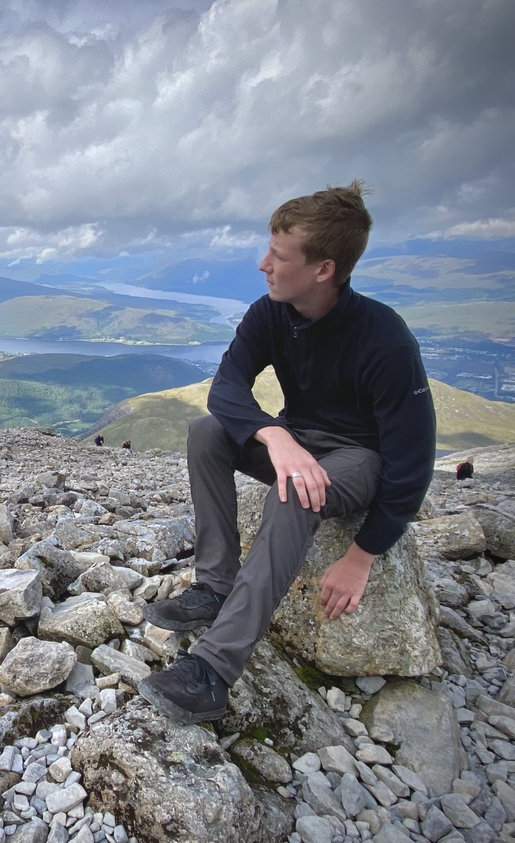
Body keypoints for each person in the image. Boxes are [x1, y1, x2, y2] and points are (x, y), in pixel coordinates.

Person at [138, 181, 437, 725]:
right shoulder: (271, 313)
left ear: (323, 269)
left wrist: (361, 555)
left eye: (278, 254)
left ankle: (213, 672)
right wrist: (275, 437)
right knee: (207, 433)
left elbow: (413, 464)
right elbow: (226, 388)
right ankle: (215, 586)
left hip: (358, 458)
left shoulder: (385, 339)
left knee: (295, 488)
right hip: (297, 436)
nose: (264, 264)